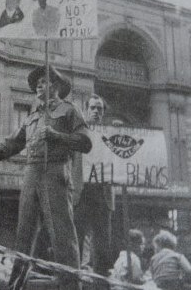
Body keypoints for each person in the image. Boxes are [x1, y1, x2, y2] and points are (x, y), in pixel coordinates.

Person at [0, 65, 92, 290]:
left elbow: (86, 142)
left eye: (44, 81)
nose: (38, 85)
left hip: (56, 173)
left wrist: (56, 136)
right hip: (31, 174)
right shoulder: (32, 117)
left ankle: (70, 287)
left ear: (56, 87)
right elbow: (8, 146)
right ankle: (15, 286)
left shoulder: (69, 110)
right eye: (36, 83)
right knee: (23, 236)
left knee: (62, 236)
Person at [73, 94, 114, 276]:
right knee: (76, 239)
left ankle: (101, 283)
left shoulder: (110, 134)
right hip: (81, 193)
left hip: (103, 194)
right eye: (93, 108)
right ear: (86, 111)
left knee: (102, 243)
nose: (97, 111)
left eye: (100, 108)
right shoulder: (78, 133)